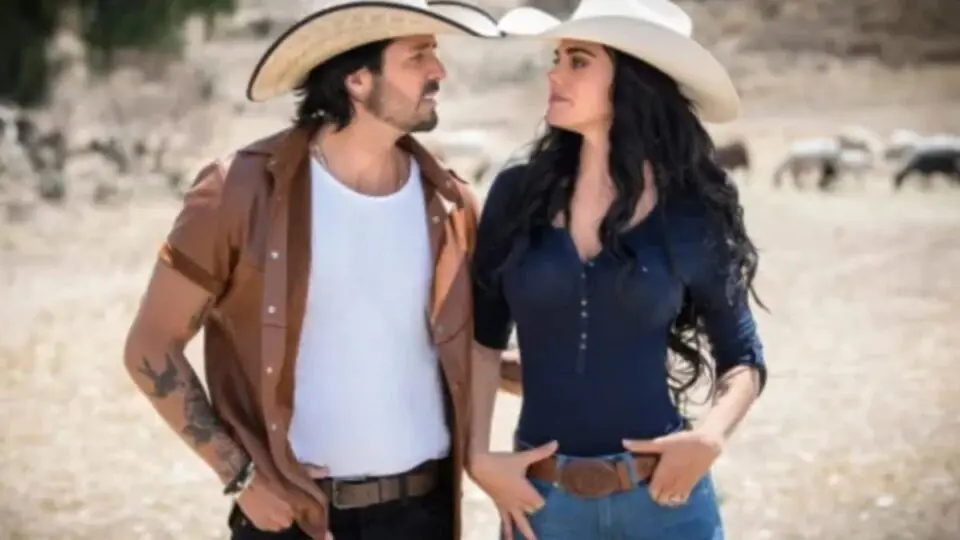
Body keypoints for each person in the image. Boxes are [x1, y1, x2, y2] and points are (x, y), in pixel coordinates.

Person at [121, 1, 501, 539]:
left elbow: (479, 351)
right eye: (418, 56)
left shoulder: (451, 204)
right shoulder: (239, 192)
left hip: (423, 515)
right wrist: (239, 476)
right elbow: (149, 346)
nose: (439, 71)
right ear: (358, 80)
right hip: (293, 517)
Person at [465, 0, 768, 539]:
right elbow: (482, 342)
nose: (554, 74)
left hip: (666, 501)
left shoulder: (690, 210)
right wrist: (479, 456)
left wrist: (710, 437)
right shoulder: (517, 193)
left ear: (633, 81)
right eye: (557, 59)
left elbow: (742, 357)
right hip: (540, 505)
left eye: (578, 61)